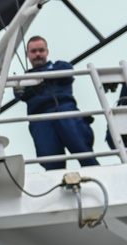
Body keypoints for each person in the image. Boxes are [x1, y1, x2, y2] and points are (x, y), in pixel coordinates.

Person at [15, 36, 98, 170]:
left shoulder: (60, 66)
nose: (38, 54)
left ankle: (96, 175)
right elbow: (20, 94)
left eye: (41, 50)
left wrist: (39, 81)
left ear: (47, 51)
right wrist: (47, 81)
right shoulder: (22, 80)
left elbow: (66, 72)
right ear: (27, 54)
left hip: (66, 112)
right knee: (51, 163)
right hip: (40, 118)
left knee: (83, 151)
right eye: (34, 51)